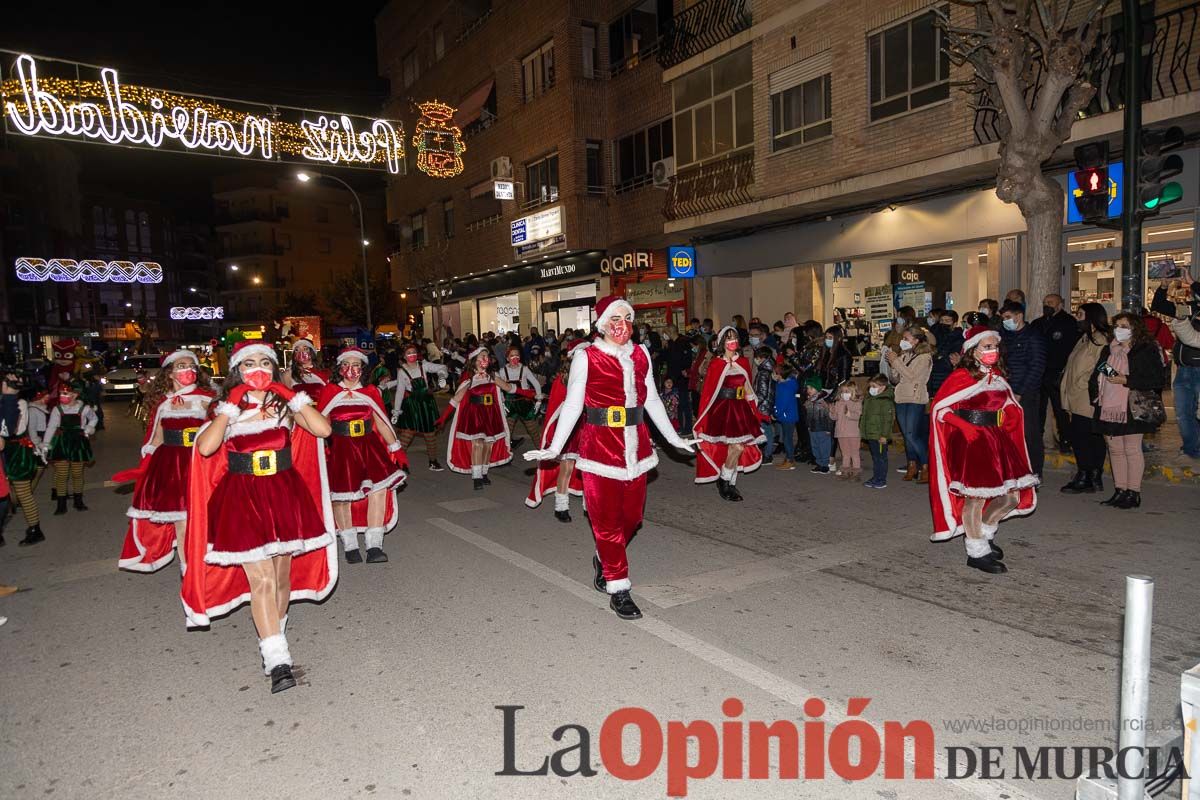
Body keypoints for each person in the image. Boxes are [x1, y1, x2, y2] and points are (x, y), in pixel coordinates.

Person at [523, 295, 695, 621]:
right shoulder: (587, 357)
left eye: (627, 319)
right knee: (607, 525)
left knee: (632, 519)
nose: (622, 325)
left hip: (637, 450)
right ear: (602, 324)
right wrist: (555, 447)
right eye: (614, 319)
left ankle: (604, 559)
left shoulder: (641, 353)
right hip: (598, 450)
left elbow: (653, 401)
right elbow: (574, 405)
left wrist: (674, 439)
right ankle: (619, 588)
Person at [183, 340, 336, 694]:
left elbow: (324, 430)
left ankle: (273, 634)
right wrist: (229, 408)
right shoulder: (227, 407)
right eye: (249, 363)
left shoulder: (285, 404)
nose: (257, 369)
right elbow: (206, 448)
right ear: (238, 370)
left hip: (284, 493)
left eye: (264, 363)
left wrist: (290, 394)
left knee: (282, 578)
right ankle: (278, 658)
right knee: (262, 580)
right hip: (243, 497)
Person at [929, 325, 1038, 574]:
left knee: (1010, 496)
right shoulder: (961, 377)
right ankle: (976, 550)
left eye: (995, 346)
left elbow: (1008, 404)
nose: (993, 351)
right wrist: (964, 427)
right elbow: (940, 409)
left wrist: (1010, 418)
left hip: (997, 440)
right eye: (987, 346)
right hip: (971, 441)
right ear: (973, 351)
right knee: (975, 498)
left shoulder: (997, 375)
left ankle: (985, 532)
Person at [117, 351, 216, 573]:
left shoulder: (207, 398)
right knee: (182, 520)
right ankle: (188, 570)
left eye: (192, 366)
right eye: (181, 365)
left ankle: (207, 566)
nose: (188, 370)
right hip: (172, 466)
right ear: (170, 373)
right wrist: (146, 468)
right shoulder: (163, 403)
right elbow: (156, 438)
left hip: (201, 462)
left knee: (205, 519)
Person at [318, 347, 408, 564]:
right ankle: (350, 545)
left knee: (379, 491)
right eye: (347, 364)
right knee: (342, 497)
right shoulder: (330, 392)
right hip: (341, 449)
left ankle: (375, 545)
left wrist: (396, 448)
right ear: (339, 368)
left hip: (369, 447)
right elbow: (320, 425)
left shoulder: (370, 392)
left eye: (356, 365)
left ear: (363, 369)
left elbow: (382, 422)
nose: (351, 369)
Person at [1089, 313, 1166, 510]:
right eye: (1117, 325)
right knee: (1114, 450)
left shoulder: (1145, 349)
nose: (1119, 329)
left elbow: (1157, 379)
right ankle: (1120, 490)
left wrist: (1127, 380)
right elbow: (1100, 370)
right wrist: (1103, 384)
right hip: (1108, 405)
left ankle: (1134, 492)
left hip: (1132, 406)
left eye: (1124, 325)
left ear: (1135, 328)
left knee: (1131, 449)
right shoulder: (1110, 349)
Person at [693, 326, 766, 501]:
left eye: (734, 338)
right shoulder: (716, 364)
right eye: (728, 338)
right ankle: (727, 482)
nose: (732, 341)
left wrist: (754, 408)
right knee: (735, 447)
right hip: (722, 409)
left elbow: (747, 385)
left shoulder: (742, 362)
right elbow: (709, 393)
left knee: (738, 447)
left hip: (740, 409)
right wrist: (704, 416)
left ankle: (727, 481)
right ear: (721, 342)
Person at [526, 340, 588, 522]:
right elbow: (556, 409)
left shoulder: (590, 376)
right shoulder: (562, 381)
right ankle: (561, 506)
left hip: (585, 427)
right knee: (567, 466)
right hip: (567, 428)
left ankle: (590, 503)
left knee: (588, 468)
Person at [441, 347, 519, 489]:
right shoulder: (469, 377)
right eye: (482, 356)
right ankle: (476, 477)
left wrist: (528, 393)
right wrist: (443, 417)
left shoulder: (492, 375)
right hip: (474, 414)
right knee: (477, 443)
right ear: (475, 360)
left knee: (488, 445)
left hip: (490, 414)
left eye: (487, 356)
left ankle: (483, 473)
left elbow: (508, 388)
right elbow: (457, 397)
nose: (485, 359)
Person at [1059, 303, 1110, 495]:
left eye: (1080, 314)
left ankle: (1086, 474)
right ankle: (1092, 474)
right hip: (1076, 395)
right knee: (1087, 436)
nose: (1077, 318)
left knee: (1084, 437)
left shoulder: (1101, 340)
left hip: (1086, 396)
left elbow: (1103, 365)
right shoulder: (1085, 339)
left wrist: (1083, 382)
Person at [1151, 281, 1200, 460]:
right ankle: (1191, 448)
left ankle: (1193, 448)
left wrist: (1194, 284)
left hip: (1198, 370)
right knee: (1183, 413)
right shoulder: (1189, 308)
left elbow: (1192, 338)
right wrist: (1164, 287)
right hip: (1183, 369)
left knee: (1196, 413)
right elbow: (1158, 306)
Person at [1000, 299, 1047, 477]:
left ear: (1019, 316)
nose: (1005, 321)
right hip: (1007, 390)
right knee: (1010, 433)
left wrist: (1020, 392)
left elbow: (1036, 367)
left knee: (1029, 433)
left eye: (1008, 317)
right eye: (1003, 318)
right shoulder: (1007, 337)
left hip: (1026, 393)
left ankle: (1035, 472)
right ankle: (1016, 470)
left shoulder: (1033, 337)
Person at [1030, 294, 1080, 453]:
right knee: (1038, 409)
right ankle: (1037, 438)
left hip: (1057, 372)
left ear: (1060, 305)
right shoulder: (1038, 323)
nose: (1047, 306)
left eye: (1050, 303)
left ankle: (1066, 439)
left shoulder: (1068, 322)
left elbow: (1069, 349)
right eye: (1045, 303)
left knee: (1061, 409)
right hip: (1039, 373)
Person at [0, 371, 45, 546]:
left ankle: (35, 529)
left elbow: (13, 430)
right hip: (7, 450)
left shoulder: (19, 403)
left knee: (23, 493)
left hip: (15, 451)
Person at [42, 378, 98, 514]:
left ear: (75, 395)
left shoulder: (84, 408)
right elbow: (51, 427)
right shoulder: (57, 409)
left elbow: (94, 418)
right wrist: (45, 445)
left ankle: (78, 501)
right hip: (62, 443)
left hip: (78, 444)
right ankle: (61, 504)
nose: (62, 396)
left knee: (77, 474)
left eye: (66, 394)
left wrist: (89, 428)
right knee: (61, 474)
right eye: (61, 393)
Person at [886, 327, 934, 483]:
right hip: (901, 397)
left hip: (915, 398)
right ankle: (912, 465)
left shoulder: (925, 357)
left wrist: (895, 361)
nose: (903, 341)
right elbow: (895, 378)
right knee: (907, 435)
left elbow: (912, 376)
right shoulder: (905, 355)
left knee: (912, 434)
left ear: (917, 340)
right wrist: (892, 363)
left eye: (906, 338)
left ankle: (926, 466)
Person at [392, 342, 449, 471]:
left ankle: (433, 462)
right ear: (404, 356)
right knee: (407, 435)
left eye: (414, 352)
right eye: (408, 353)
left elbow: (442, 367)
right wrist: (396, 411)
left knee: (430, 434)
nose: (412, 355)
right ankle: (399, 463)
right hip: (412, 405)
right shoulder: (402, 371)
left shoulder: (424, 365)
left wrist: (441, 377)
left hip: (427, 404)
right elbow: (400, 392)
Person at [499, 347, 544, 448]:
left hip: (525, 404)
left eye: (517, 355)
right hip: (509, 404)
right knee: (507, 431)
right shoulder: (502, 371)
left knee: (533, 430)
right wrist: (502, 402)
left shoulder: (524, 369)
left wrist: (539, 401)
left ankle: (542, 453)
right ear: (507, 358)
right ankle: (505, 453)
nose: (515, 358)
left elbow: (536, 383)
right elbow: (500, 388)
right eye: (512, 355)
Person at [861, 374, 896, 489]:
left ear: (882, 387)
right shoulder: (870, 399)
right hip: (872, 434)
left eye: (874, 386)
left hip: (880, 435)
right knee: (875, 457)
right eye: (870, 386)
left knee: (880, 458)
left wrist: (884, 435)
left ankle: (881, 480)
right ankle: (876, 477)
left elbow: (888, 421)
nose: (871, 388)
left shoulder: (885, 401)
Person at [830, 380, 863, 480]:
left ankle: (856, 472)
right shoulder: (838, 403)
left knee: (854, 453)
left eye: (847, 391)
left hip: (853, 433)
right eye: (843, 391)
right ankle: (845, 471)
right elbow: (835, 418)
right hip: (841, 432)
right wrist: (832, 412)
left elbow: (858, 416)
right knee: (845, 453)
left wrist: (849, 413)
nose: (844, 394)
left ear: (853, 392)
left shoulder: (857, 402)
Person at [772, 364, 801, 470]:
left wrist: (776, 413)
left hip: (787, 415)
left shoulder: (784, 387)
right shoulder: (788, 384)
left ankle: (790, 460)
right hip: (789, 415)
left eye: (775, 373)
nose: (773, 375)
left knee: (787, 438)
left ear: (780, 374)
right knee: (787, 437)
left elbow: (782, 403)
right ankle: (789, 458)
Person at [928, 310, 964, 396]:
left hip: (946, 375)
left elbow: (950, 358)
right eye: (942, 320)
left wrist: (938, 357)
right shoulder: (935, 333)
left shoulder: (958, 338)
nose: (943, 323)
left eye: (947, 321)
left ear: (954, 324)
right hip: (932, 376)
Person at [752, 347, 778, 463]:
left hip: (762, 406)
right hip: (767, 404)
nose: (755, 360)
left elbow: (761, 392)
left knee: (765, 430)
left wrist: (755, 403)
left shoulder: (763, 372)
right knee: (765, 429)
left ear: (762, 358)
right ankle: (766, 453)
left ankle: (767, 454)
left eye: (757, 358)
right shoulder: (770, 370)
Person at [804, 381, 834, 474]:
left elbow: (829, 416)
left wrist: (829, 429)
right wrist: (808, 425)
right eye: (808, 388)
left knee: (824, 446)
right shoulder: (810, 401)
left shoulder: (823, 402)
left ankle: (825, 465)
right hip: (813, 428)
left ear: (818, 389)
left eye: (811, 388)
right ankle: (819, 463)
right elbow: (808, 415)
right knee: (815, 446)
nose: (808, 390)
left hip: (823, 428)